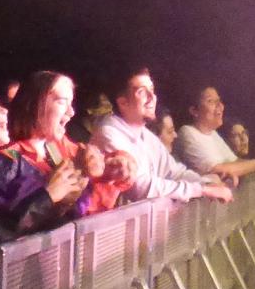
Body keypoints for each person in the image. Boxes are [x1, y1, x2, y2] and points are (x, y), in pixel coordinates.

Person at [93, 70, 233, 203]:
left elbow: (174, 172)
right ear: (123, 102)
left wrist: (207, 183)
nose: (152, 97)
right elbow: (141, 188)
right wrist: (202, 189)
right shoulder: (109, 133)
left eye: (152, 90)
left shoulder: (147, 136)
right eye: (142, 92)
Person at [0, 87, 88, 235]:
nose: (4, 110)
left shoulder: (13, 164)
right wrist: (48, 196)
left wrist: (71, 195)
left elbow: (48, 218)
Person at [174, 86, 255, 184]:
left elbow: (235, 162)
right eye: (210, 101)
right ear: (194, 111)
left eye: (219, 101)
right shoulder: (187, 133)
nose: (219, 106)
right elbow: (221, 170)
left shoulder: (212, 134)